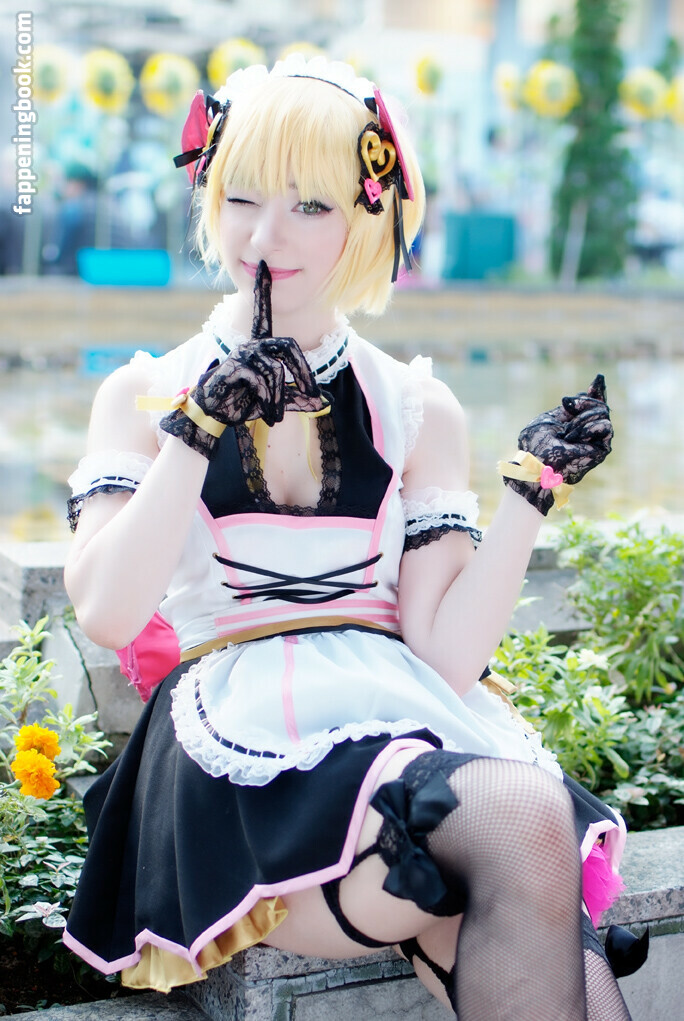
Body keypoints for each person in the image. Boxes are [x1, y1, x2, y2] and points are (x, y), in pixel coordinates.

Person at [63, 55, 645, 1019]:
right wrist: (195, 428)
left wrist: (533, 490)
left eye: (310, 206)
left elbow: (444, 656)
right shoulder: (144, 391)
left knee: (534, 894)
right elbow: (108, 611)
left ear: (368, 216)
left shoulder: (414, 405)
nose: (265, 236)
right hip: (245, 769)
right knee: (522, 820)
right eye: (242, 196)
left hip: (404, 731)